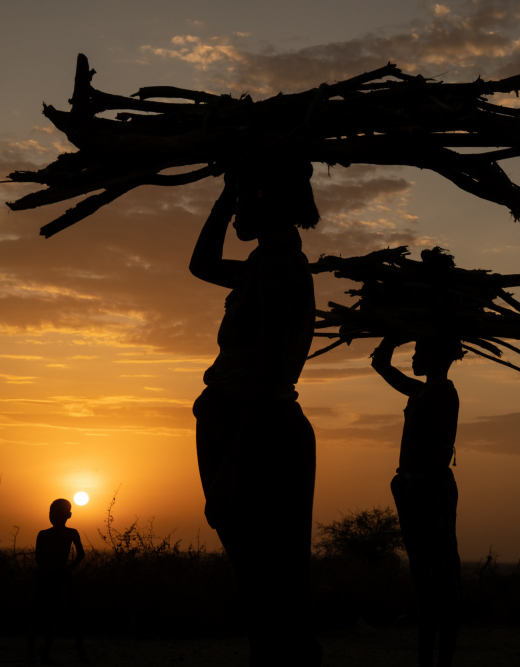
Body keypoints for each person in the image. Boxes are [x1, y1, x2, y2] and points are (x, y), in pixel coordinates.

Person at [189, 157, 319, 666]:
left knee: (269, 584)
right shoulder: (265, 265)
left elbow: (267, 370)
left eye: (245, 199)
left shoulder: (280, 268)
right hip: (248, 429)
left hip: (257, 435)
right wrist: (224, 197)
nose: (238, 210)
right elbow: (201, 265)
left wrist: (231, 469)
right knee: (262, 583)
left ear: (268, 200)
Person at [372, 335, 464, 667]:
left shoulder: (444, 394)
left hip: (430, 490)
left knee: (443, 581)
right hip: (415, 490)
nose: (413, 357)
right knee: (425, 580)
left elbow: (441, 452)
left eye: (419, 351)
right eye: (413, 350)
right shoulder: (421, 391)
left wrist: (417, 482)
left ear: (439, 357)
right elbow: (381, 364)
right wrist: (394, 335)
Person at [28, 498, 87, 664]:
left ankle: (41, 651)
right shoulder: (47, 534)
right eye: (51, 513)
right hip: (52, 575)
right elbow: (38, 557)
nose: (52, 516)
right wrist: (66, 568)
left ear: (68, 515)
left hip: (52, 575)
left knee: (46, 613)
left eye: (56, 513)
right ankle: (35, 651)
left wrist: (66, 569)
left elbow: (39, 557)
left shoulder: (67, 533)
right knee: (39, 612)